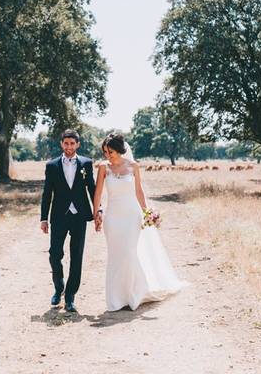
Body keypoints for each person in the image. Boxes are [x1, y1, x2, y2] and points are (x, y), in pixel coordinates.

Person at [94, 132, 188, 311]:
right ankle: (116, 298)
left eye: (111, 152)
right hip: (112, 218)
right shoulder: (103, 167)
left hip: (131, 216)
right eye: (105, 152)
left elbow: (139, 191)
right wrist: (96, 215)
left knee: (129, 253)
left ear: (120, 151)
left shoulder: (134, 166)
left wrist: (147, 212)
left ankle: (133, 294)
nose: (108, 156)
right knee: (115, 256)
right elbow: (98, 193)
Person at [39, 129, 98, 314]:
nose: (69, 147)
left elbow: (92, 189)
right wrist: (43, 217)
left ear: (78, 144)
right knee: (54, 254)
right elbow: (47, 193)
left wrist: (98, 211)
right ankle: (59, 288)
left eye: (73, 143)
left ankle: (71, 295)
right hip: (58, 216)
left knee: (77, 256)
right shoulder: (52, 165)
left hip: (80, 216)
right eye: (66, 143)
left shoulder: (86, 164)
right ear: (61, 144)